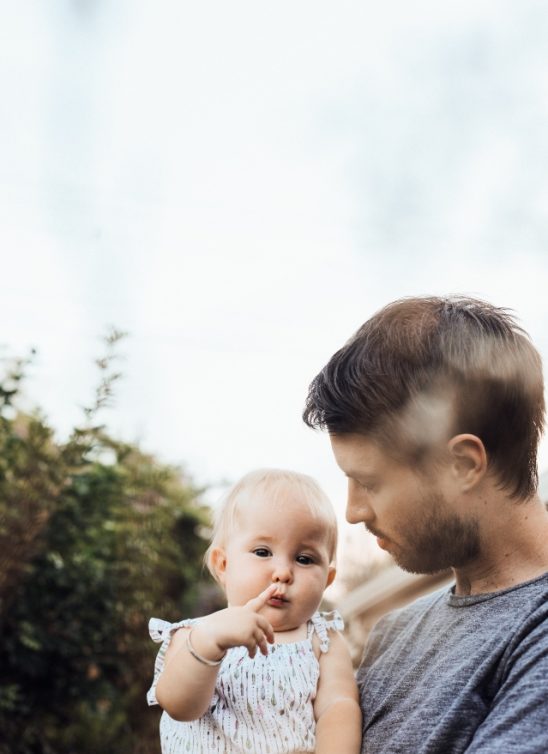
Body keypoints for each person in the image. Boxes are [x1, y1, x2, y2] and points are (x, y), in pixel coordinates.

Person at [302, 296, 548, 754]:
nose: (353, 511)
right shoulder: (394, 632)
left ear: (463, 464)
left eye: (368, 482)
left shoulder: (536, 628)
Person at [147, 468, 362, 754]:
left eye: (304, 558)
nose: (283, 573)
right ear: (223, 565)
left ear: (327, 580)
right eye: (262, 552)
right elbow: (178, 706)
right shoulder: (192, 635)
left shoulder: (323, 641)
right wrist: (208, 644)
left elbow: (339, 707)